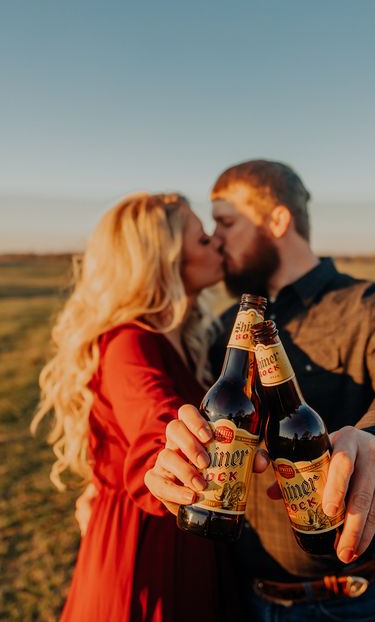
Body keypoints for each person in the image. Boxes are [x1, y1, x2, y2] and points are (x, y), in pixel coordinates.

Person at [145, 160, 375, 621]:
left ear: (277, 220)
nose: (216, 239)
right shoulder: (222, 332)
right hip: (242, 597)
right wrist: (173, 457)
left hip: (350, 602)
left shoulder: (371, 307)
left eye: (226, 222)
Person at [31, 191, 257, 622]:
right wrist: (167, 453)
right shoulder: (129, 342)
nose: (218, 245)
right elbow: (153, 414)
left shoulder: (191, 335)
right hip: (146, 548)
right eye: (203, 240)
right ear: (166, 259)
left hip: (189, 530)